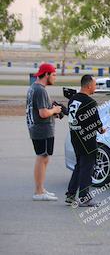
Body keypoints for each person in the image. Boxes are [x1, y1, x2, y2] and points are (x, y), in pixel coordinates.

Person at [65, 75, 106, 207]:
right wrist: (102, 130)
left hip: (75, 137)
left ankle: (71, 195)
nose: (95, 87)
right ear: (89, 86)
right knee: (87, 168)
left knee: (79, 166)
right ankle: (84, 197)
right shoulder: (90, 102)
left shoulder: (73, 99)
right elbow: (98, 124)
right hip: (87, 140)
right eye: (95, 84)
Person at [26, 63, 62, 201]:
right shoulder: (40, 90)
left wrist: (52, 110)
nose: (55, 78)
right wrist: (55, 110)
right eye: (53, 75)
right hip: (42, 129)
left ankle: (40, 189)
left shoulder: (34, 88)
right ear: (46, 74)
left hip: (39, 128)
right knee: (42, 158)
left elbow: (41, 110)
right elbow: (42, 113)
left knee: (44, 158)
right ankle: (38, 192)